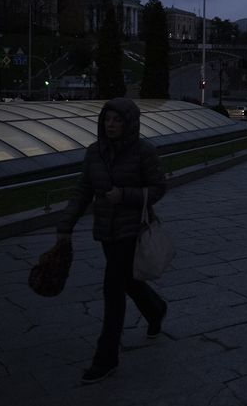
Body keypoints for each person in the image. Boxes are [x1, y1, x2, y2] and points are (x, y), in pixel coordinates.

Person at [56, 97, 168, 384]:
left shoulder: (144, 151)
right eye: (107, 119)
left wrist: (125, 196)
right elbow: (82, 191)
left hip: (133, 231)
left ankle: (105, 358)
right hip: (107, 231)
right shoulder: (95, 153)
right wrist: (66, 224)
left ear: (129, 123)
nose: (111, 125)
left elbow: (158, 187)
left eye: (117, 120)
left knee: (112, 289)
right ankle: (156, 309)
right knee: (128, 281)